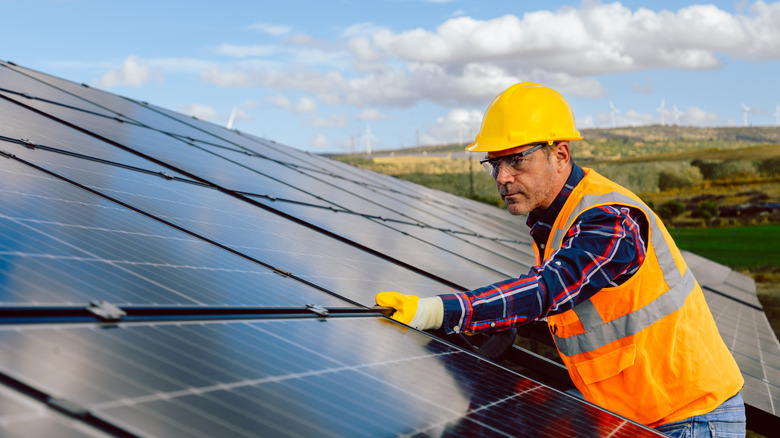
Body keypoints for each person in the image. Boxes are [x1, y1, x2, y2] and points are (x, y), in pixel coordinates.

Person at [375, 82, 746, 436]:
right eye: (494, 165)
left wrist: (440, 311)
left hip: (689, 419)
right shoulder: (553, 223)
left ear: (561, 154)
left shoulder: (610, 219)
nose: (503, 177)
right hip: (630, 415)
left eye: (517, 161)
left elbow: (549, 290)